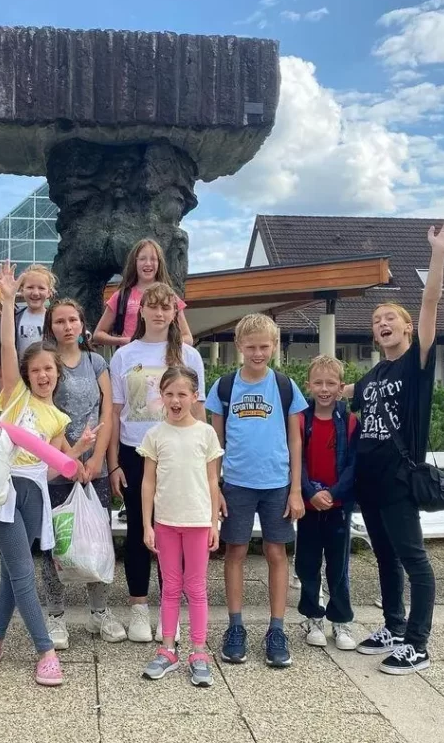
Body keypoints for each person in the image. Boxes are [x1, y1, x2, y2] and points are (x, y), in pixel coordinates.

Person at [0, 263, 99, 687]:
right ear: (27, 374)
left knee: (12, 573)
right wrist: (8, 300)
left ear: (58, 375)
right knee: (23, 572)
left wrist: (79, 450)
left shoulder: (58, 417)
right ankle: (45, 651)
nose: (43, 375)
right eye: (37, 370)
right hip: (3, 494)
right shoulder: (14, 396)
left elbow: (58, 464)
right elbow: (8, 345)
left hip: (36, 497)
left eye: (50, 371)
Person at [349, 219, 444, 675]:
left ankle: (418, 644)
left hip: (399, 478)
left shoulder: (417, 364)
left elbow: (430, 301)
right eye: (376, 321)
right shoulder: (373, 376)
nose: (382, 323)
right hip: (369, 479)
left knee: (413, 558)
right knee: (385, 556)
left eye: (390, 318)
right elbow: (342, 401)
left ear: (408, 328)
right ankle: (394, 627)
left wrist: (438, 253)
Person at [107, 282, 207, 643]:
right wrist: (114, 463)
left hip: (179, 454)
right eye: (154, 306)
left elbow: (199, 411)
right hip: (135, 452)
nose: (160, 313)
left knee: (173, 531)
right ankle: (138, 607)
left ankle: (171, 609)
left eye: (167, 307)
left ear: (175, 313)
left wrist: (204, 461)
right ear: (142, 310)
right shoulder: (124, 356)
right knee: (138, 529)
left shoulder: (189, 356)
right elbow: (114, 414)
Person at [206, 313, 307, 668]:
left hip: (277, 484)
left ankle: (276, 629)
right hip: (236, 484)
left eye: (265, 346)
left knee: (276, 552)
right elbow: (214, 444)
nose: (258, 353)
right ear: (239, 346)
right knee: (234, 551)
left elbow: (296, 441)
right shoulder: (224, 388)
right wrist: (216, 488)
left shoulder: (285, 386)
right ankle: (235, 626)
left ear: (275, 346)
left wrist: (296, 489)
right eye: (251, 347)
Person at [40, 297, 127, 647]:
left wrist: (96, 459)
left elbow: (107, 412)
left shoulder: (95, 362)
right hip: (56, 464)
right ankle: (56, 615)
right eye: (59, 321)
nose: (67, 326)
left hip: (95, 467)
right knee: (56, 542)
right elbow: (47, 412)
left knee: (97, 539)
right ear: (51, 327)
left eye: (72, 320)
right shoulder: (46, 362)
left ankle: (99, 611)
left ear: (82, 324)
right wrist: (70, 459)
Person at [139, 366, 224, 687]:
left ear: (194, 396)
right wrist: (147, 525)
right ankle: (168, 649)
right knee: (171, 587)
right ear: (161, 396)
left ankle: (199, 652)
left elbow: (213, 481)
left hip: (198, 522)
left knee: (196, 588)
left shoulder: (206, 433)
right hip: (165, 523)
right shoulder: (155, 435)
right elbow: (148, 482)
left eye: (182, 394)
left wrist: (214, 522)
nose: (176, 400)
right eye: (169, 394)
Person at [296, 355, 358, 652]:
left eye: (330, 383)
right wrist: (310, 492)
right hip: (309, 507)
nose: (324, 389)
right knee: (307, 564)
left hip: (338, 507)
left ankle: (341, 619)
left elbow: (354, 464)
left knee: (338, 567)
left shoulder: (349, 421)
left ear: (341, 387)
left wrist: (333, 493)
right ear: (308, 385)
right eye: (318, 383)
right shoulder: (301, 419)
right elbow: (297, 461)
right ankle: (313, 617)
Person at [93, 239, 194, 347]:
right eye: (142, 259)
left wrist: (164, 344)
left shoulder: (170, 297)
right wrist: (124, 341)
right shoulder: (121, 296)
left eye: (153, 259)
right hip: (132, 355)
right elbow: (98, 334)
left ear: (159, 263)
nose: (148, 263)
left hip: (162, 356)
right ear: (135, 262)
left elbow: (188, 338)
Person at [15, 264, 55, 358]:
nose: (35, 293)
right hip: (21, 366)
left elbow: (78, 339)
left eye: (41, 288)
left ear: (49, 292)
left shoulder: (55, 318)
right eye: (30, 287)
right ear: (22, 290)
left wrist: (82, 337)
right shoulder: (14, 317)